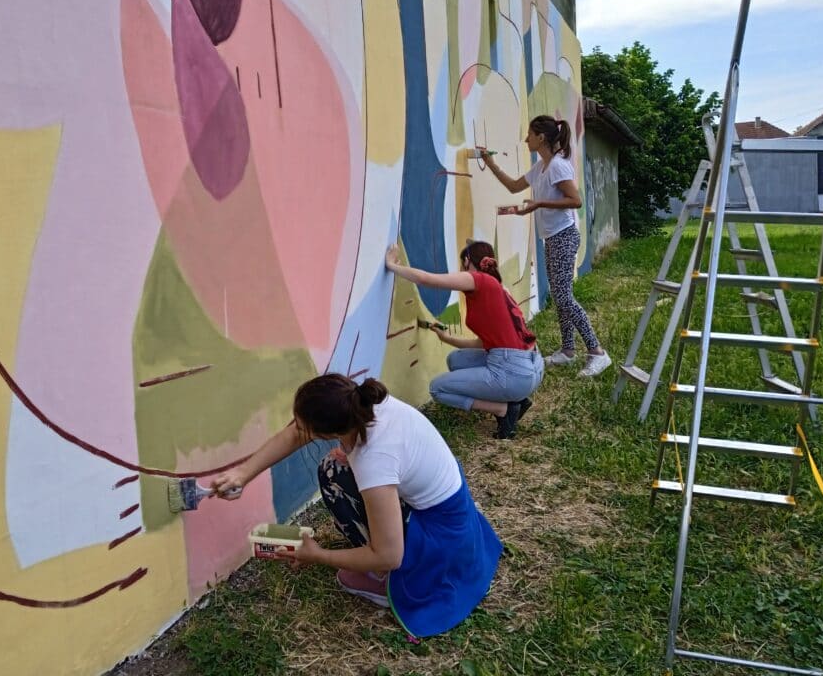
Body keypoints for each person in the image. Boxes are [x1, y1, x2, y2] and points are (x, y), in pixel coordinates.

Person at [210, 374, 502, 638]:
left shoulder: (373, 459)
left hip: (442, 540)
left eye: (304, 427)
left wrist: (319, 555)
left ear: (327, 433)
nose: (297, 431)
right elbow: (296, 433)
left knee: (338, 482)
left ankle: (386, 582)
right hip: (451, 509)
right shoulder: (360, 399)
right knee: (333, 468)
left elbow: (389, 555)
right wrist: (242, 473)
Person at [479, 115, 612, 377]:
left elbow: (575, 201)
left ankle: (597, 352)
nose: (525, 139)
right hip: (552, 237)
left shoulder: (558, 167)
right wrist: (489, 162)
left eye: (529, 134)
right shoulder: (541, 167)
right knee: (560, 295)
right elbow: (514, 186)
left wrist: (539, 204)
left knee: (563, 297)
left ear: (541, 137)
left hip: (564, 236)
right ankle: (567, 350)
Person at [385, 240, 542, 440]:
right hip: (529, 365)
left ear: (467, 261)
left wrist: (392, 266)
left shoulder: (479, 280)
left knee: (437, 388)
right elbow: (484, 343)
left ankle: (504, 408)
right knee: (455, 360)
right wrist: (447, 338)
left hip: (513, 371)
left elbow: (427, 279)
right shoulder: (498, 288)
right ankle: (515, 398)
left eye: (462, 264)